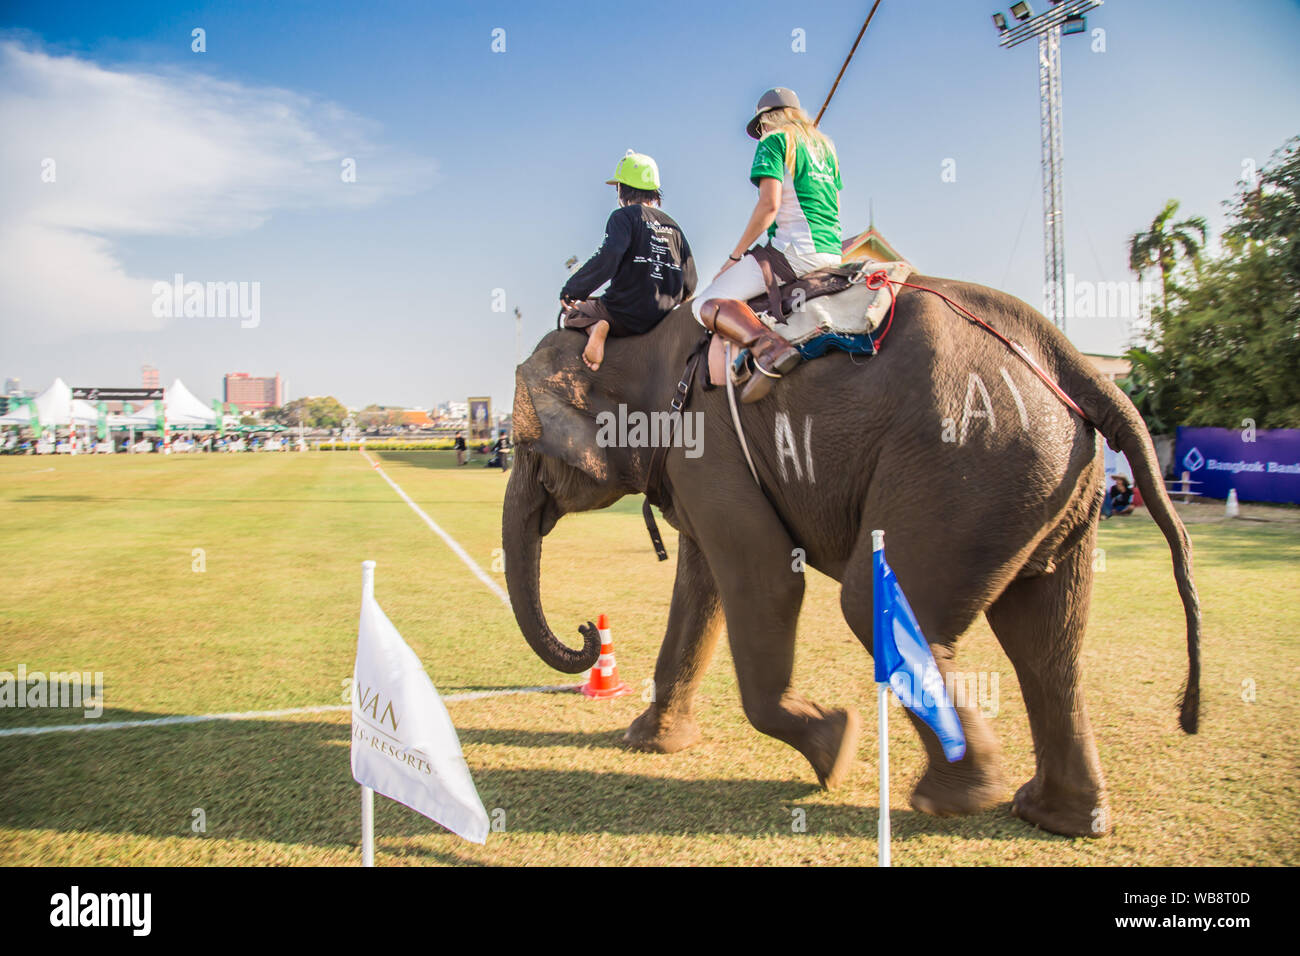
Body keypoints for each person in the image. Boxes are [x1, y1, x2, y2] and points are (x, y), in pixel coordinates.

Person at [692, 87, 844, 403]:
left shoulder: (773, 140)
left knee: (706, 302)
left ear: (766, 120)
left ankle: (768, 346)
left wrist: (734, 258)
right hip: (833, 251)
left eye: (761, 126)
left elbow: (768, 206)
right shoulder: (827, 149)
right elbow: (834, 206)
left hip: (795, 252)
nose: (762, 131)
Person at [560, 150, 697, 371]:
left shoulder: (622, 217)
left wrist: (573, 289)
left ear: (622, 190)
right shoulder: (674, 227)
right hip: (663, 318)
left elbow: (609, 256)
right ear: (654, 192)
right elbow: (691, 282)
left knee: (571, 314)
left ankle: (596, 327)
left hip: (623, 314)